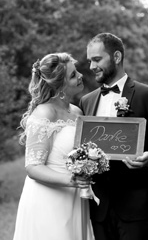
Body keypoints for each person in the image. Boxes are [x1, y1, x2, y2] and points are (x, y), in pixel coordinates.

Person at [79, 33, 148, 240]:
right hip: (98, 207)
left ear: (117, 57)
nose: (91, 66)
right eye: (90, 60)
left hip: (137, 205)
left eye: (97, 59)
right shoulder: (86, 102)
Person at [13, 53, 94, 240]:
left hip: (74, 198)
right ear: (60, 86)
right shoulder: (44, 113)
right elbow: (33, 167)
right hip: (48, 199)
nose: (81, 75)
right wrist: (70, 180)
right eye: (73, 75)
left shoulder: (77, 112)